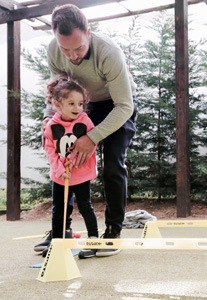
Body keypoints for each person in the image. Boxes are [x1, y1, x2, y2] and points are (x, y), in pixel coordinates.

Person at [35, 3, 137, 258]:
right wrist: (50, 120)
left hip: (116, 105)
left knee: (112, 164)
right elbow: (58, 91)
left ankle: (112, 233)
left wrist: (91, 138)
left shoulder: (108, 52)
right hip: (80, 106)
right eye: (65, 49)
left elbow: (125, 105)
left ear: (88, 32)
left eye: (78, 48)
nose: (72, 56)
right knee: (65, 159)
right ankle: (61, 232)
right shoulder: (53, 50)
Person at [42, 76, 99, 258]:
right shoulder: (51, 126)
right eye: (72, 103)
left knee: (85, 206)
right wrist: (60, 170)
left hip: (80, 173)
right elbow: (50, 149)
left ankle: (93, 241)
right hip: (60, 176)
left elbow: (92, 144)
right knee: (59, 208)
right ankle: (57, 243)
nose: (77, 108)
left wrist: (72, 163)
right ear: (58, 105)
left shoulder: (85, 121)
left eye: (80, 104)